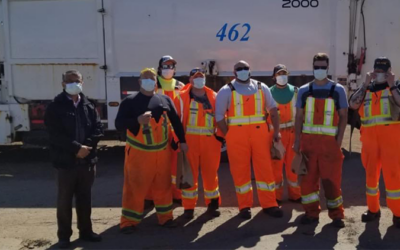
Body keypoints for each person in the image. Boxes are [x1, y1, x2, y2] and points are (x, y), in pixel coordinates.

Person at [115, 68, 188, 234]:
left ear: (156, 82)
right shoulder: (130, 101)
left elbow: (176, 122)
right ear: (140, 82)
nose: (149, 81)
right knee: (135, 187)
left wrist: (182, 141)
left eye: (152, 79)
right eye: (146, 78)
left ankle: (166, 218)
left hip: (162, 152)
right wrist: (137, 120)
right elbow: (119, 123)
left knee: (163, 186)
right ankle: (128, 222)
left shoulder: (164, 100)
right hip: (139, 154)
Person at [216, 60, 283, 220]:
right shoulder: (226, 90)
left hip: (260, 135)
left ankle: (270, 204)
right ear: (234, 72)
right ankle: (244, 206)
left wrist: (276, 132)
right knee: (240, 171)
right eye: (239, 69)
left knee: (265, 169)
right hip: (236, 136)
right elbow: (219, 117)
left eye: (245, 68)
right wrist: (229, 135)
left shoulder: (262, 87)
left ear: (250, 70)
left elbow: (273, 110)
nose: (243, 71)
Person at [44, 70, 103, 249]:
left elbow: (98, 129)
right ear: (63, 84)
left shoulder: (88, 105)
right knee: (64, 200)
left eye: (76, 80)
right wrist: (76, 148)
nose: (73, 84)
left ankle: (86, 232)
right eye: (69, 81)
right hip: (65, 162)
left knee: (85, 199)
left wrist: (87, 148)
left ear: (82, 82)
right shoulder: (55, 106)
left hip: (87, 161)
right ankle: (64, 237)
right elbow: (55, 135)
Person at [293, 53, 348, 228]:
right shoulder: (303, 90)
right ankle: (311, 214)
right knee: (308, 182)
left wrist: (338, 141)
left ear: (327, 68)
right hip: (308, 145)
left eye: (323, 67)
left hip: (329, 145)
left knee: (331, 181)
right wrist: (296, 141)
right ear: (312, 67)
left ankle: (337, 215)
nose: (319, 70)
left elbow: (344, 116)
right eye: (317, 67)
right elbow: (299, 117)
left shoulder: (338, 90)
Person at [349, 57, 400, 228]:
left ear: (389, 72)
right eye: (377, 71)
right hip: (370, 143)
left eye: (383, 71)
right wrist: (365, 83)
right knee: (371, 178)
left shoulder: (396, 88)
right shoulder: (367, 90)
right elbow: (353, 105)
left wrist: (392, 85)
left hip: (392, 143)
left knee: (394, 179)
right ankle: (373, 210)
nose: (379, 74)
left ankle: (398, 213)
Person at [174, 68, 223, 219]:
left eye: (201, 76)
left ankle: (213, 204)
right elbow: (175, 121)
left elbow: (222, 116)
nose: (199, 79)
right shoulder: (181, 97)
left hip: (211, 142)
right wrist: (178, 141)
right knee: (190, 174)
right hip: (189, 142)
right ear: (190, 80)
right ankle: (188, 207)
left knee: (211, 174)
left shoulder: (214, 96)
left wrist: (220, 137)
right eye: (196, 77)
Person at [268, 64, 301, 203]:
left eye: (284, 73)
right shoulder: (268, 92)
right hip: (276, 136)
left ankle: (295, 195)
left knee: (293, 166)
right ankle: (277, 196)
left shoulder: (296, 91)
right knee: (275, 167)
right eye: (279, 74)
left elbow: (301, 114)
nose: (282, 76)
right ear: (274, 77)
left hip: (293, 134)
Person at [155, 55, 185, 203]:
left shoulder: (180, 85)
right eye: (165, 66)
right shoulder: (153, 84)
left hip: (174, 130)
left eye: (171, 66)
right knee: (156, 165)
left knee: (175, 165)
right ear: (159, 68)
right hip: (157, 130)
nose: (168, 69)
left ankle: (176, 195)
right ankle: (152, 197)